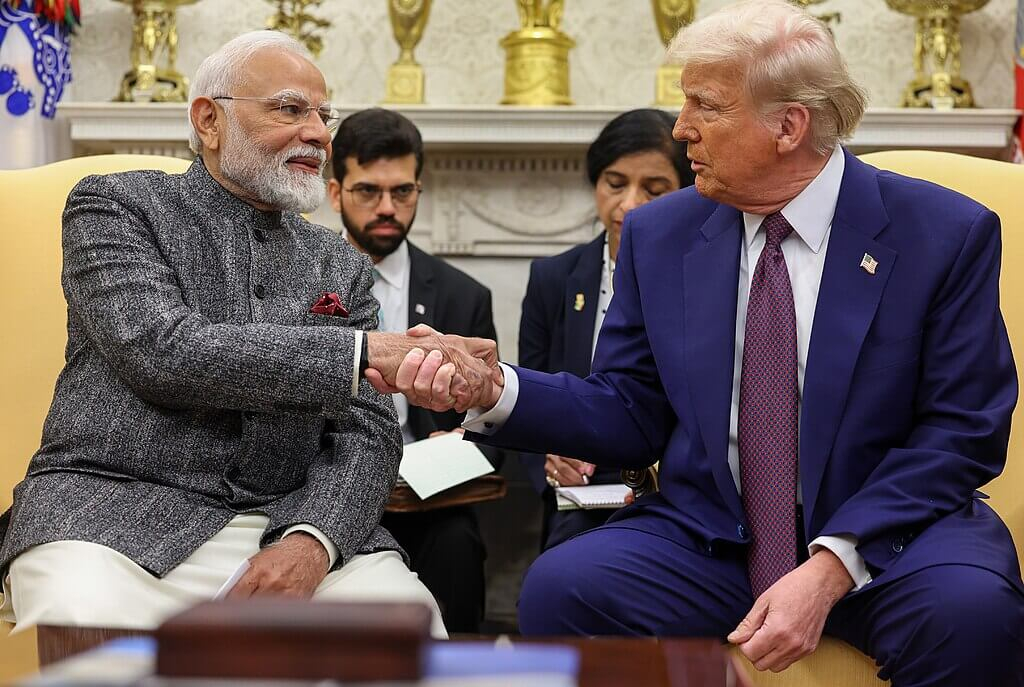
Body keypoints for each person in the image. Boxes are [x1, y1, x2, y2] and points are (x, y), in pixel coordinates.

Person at [383, 2, 1024, 684]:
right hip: (716, 540)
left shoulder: (942, 233)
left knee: (975, 614)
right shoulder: (663, 235)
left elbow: (962, 430)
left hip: (893, 541)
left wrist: (834, 563)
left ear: (788, 125)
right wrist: (495, 387)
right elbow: (629, 408)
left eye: (704, 105)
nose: (680, 126)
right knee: (564, 587)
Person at [0, 31, 496, 646]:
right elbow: (163, 349)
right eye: (291, 109)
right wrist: (364, 352)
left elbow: (366, 430)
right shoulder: (117, 207)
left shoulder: (334, 261)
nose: (318, 133)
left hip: (286, 522)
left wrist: (313, 541)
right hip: (109, 517)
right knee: (88, 621)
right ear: (209, 120)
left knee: (407, 626)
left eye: (323, 114)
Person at [327, 108, 499, 633]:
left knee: (457, 548)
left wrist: (461, 436)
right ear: (335, 193)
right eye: (368, 192)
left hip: (431, 498)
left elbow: (489, 420)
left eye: (402, 192)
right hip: (328, 483)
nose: (387, 208)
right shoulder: (302, 281)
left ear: (419, 190)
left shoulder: (462, 295)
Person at [519, 108, 695, 551]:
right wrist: (550, 456)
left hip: (677, 481)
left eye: (654, 190)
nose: (630, 205)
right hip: (583, 485)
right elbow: (527, 393)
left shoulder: (707, 275)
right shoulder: (553, 279)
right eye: (615, 184)